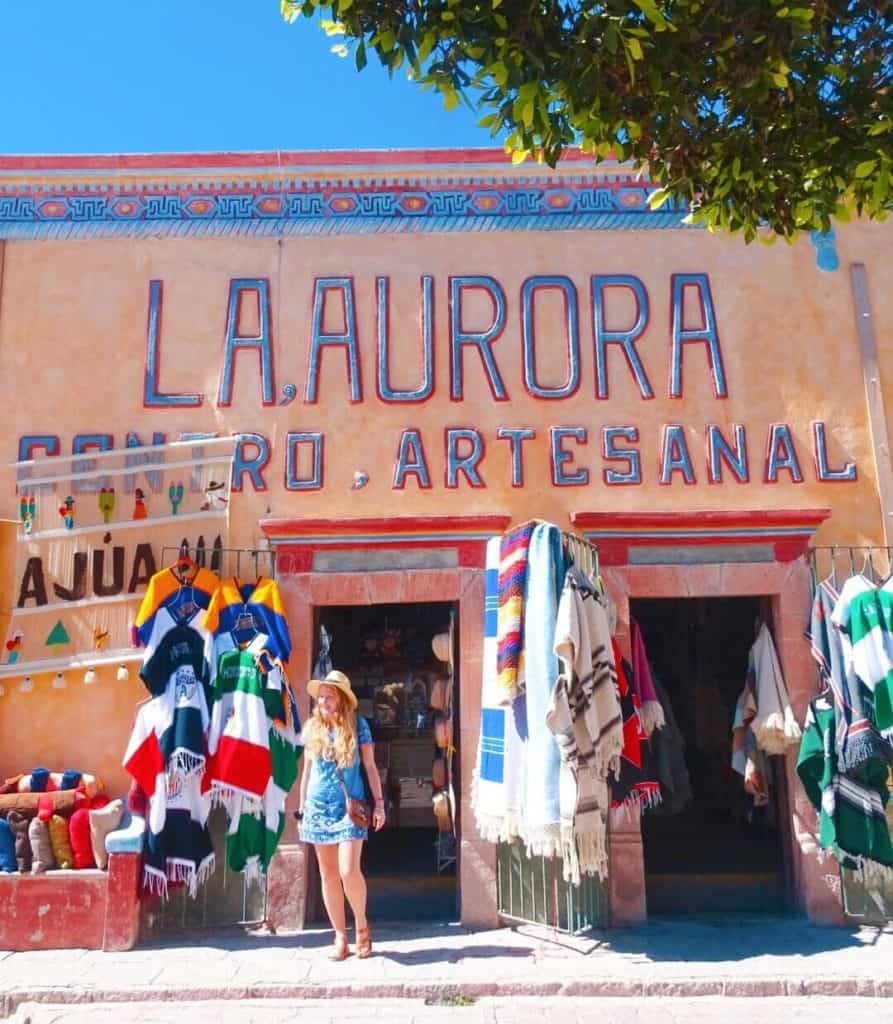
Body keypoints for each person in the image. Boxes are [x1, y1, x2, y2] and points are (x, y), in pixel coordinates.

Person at [296, 669, 385, 960]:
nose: (323, 702)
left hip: (350, 808)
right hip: (318, 807)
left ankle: (361, 924)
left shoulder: (358, 726)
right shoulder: (312, 728)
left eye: (329, 697)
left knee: (348, 870)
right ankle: (339, 936)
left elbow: (370, 767)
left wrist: (380, 804)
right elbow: (306, 772)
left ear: (342, 699)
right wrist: (301, 810)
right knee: (329, 874)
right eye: (320, 697)